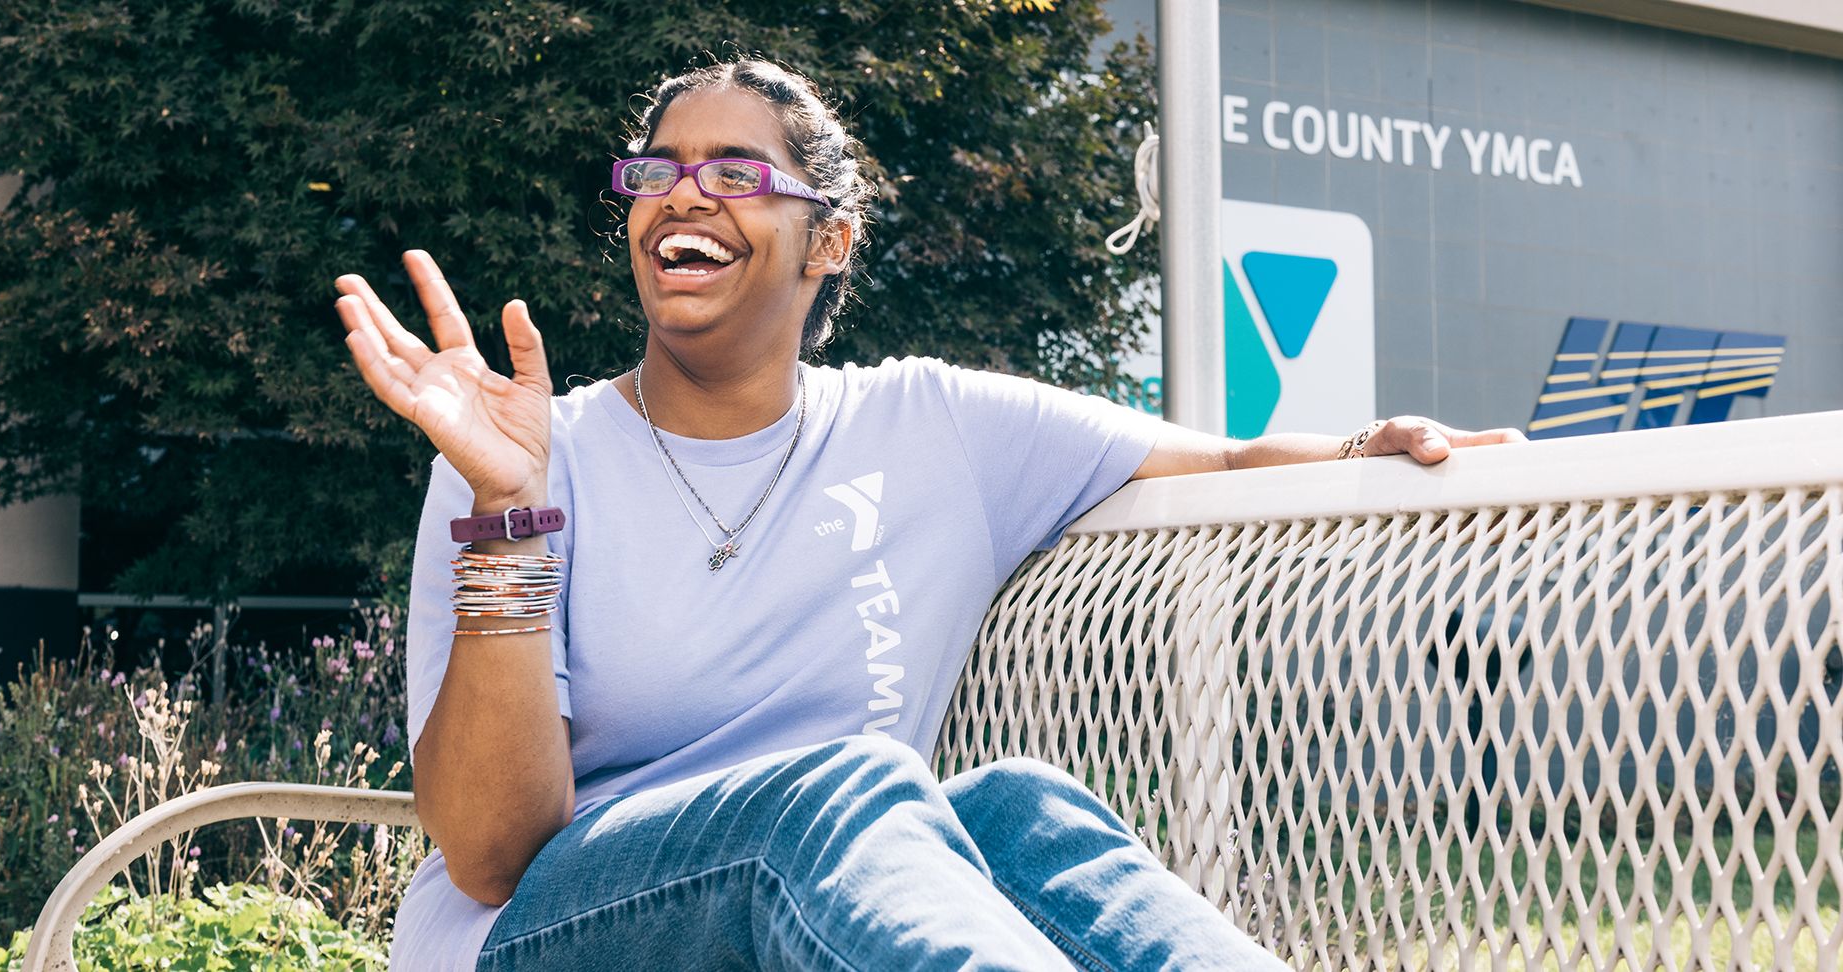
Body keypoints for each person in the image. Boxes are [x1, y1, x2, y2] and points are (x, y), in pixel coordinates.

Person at [332, 58, 1521, 971]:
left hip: (822, 903)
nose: (680, 195)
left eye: (735, 173)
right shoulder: (534, 456)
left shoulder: (933, 428)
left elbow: (1218, 455)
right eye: (657, 170)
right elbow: (489, 855)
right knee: (832, 790)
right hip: (555, 931)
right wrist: (506, 508)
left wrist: (1376, 446)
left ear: (828, 240)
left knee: (1012, 808)